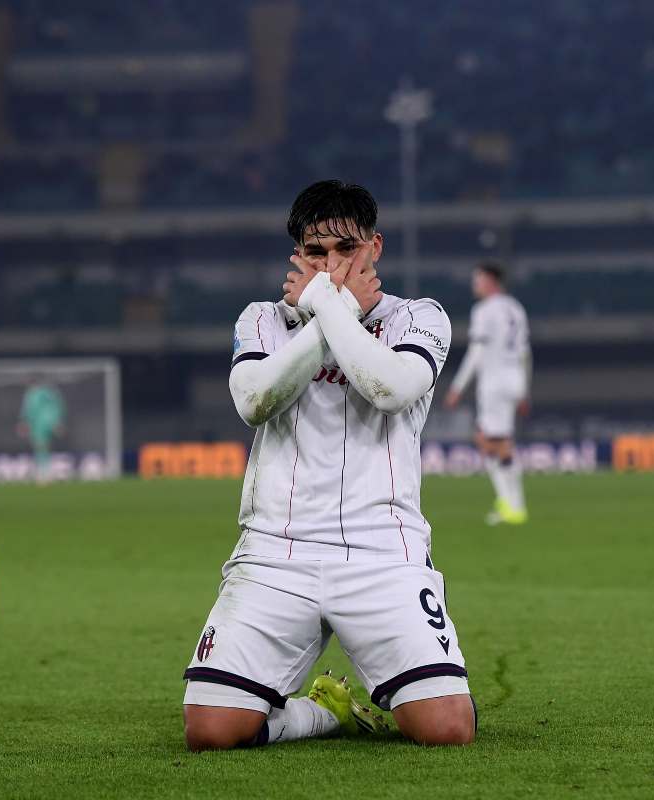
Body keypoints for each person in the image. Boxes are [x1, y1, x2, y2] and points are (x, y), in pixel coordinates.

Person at [182, 180, 476, 751]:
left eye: (347, 250)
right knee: (211, 732)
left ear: (376, 248)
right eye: (316, 253)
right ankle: (320, 713)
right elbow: (253, 402)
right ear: (297, 254)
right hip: (276, 551)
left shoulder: (420, 318)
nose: (332, 266)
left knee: (446, 729)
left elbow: (388, 387)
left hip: (383, 553)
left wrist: (323, 305)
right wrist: (332, 310)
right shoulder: (263, 320)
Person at [444, 262, 531, 525]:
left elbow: (477, 353)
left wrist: (458, 387)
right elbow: (526, 353)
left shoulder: (483, 311)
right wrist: (524, 389)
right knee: (491, 439)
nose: (475, 284)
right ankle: (510, 503)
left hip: (494, 382)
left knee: (495, 442)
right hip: (514, 378)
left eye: (478, 279)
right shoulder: (516, 308)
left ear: (492, 281)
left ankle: (513, 506)